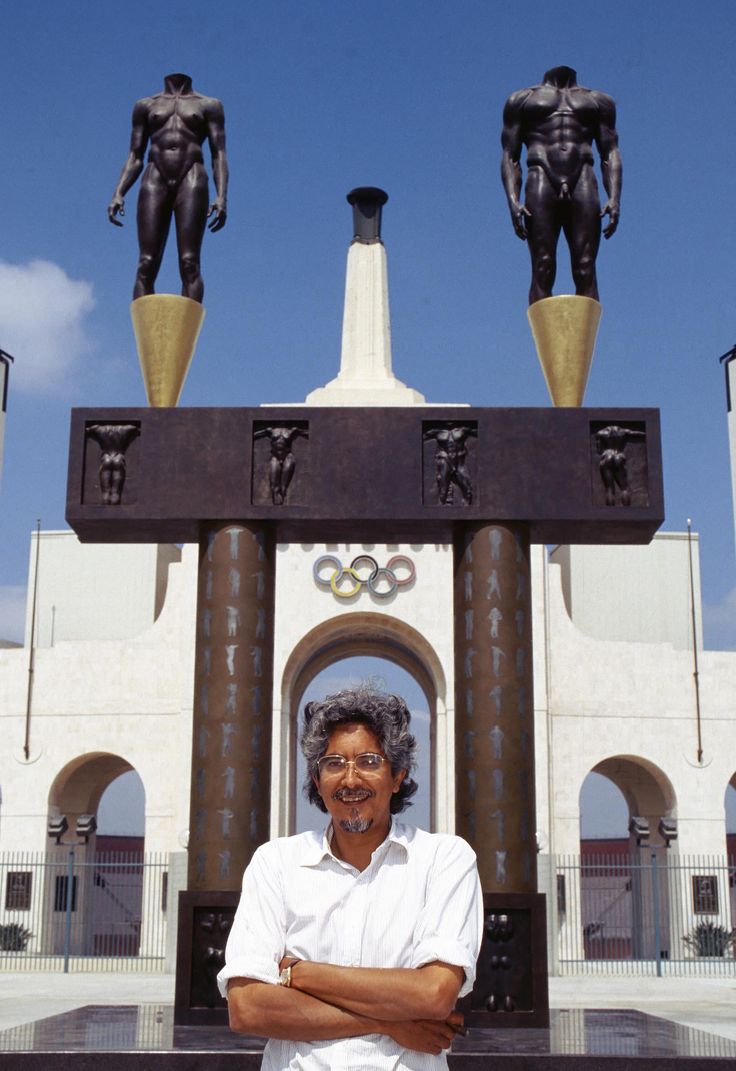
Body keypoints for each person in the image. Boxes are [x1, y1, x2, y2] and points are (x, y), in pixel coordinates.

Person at [218, 686, 483, 1069]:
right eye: (334, 763)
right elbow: (247, 1008)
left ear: (397, 776)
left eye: (370, 761)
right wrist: (387, 1021)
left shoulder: (444, 860)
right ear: (317, 779)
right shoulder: (276, 862)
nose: (351, 779)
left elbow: (434, 995)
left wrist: (298, 973)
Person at [501, 65, 622, 305]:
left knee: (586, 266)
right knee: (543, 266)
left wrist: (615, 197)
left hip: (583, 176)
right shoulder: (521, 99)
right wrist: (513, 200)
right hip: (541, 174)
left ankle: (583, 342)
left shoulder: (598, 101)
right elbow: (509, 155)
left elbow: (610, 151)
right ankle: (544, 342)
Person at [108, 72, 228, 303]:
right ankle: (148, 336)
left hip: (191, 175)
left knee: (189, 262)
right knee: (146, 262)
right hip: (155, 176)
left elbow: (219, 153)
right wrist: (119, 192)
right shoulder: (145, 106)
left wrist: (222, 196)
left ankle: (186, 337)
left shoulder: (209, 105)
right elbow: (135, 155)